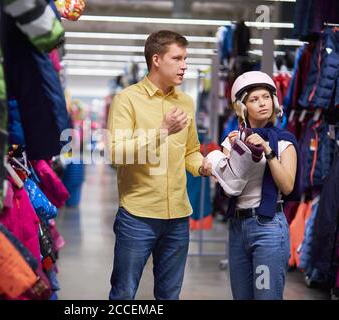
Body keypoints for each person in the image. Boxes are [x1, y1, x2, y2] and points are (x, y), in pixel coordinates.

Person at [107, 30, 212, 300]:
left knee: (170, 295)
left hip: (178, 216)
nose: (184, 65)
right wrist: (161, 131)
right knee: (124, 293)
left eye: (185, 58)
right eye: (177, 58)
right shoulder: (127, 100)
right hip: (137, 216)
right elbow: (117, 153)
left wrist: (204, 166)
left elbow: (190, 151)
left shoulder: (186, 102)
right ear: (156, 59)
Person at [221, 71, 300, 300]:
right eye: (254, 99)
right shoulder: (232, 140)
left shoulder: (285, 141)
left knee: (266, 296)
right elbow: (228, 186)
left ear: (274, 101)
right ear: (242, 108)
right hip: (238, 226)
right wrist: (235, 151)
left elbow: (287, 185)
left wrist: (268, 150)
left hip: (268, 230)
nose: (262, 103)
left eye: (266, 97)